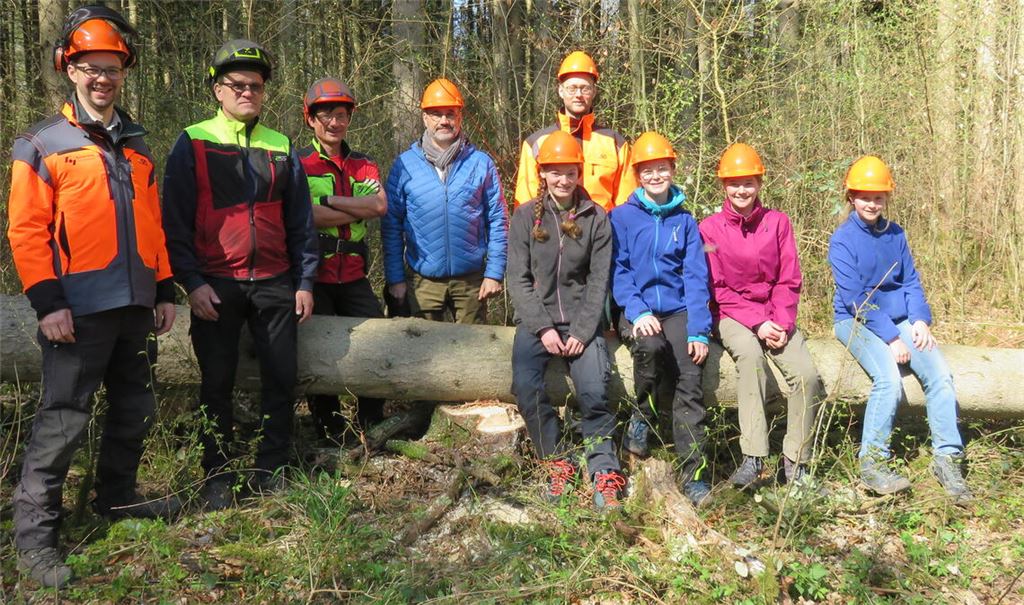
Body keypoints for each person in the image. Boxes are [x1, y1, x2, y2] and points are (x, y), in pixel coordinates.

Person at [7, 5, 178, 588]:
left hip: (136, 304)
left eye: (112, 68)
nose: (102, 78)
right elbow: (26, 230)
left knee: (135, 408)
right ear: (69, 68)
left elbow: (152, 224)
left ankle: (117, 499)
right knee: (62, 422)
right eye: (91, 67)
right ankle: (35, 540)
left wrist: (163, 288)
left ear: (124, 72)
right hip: (76, 310)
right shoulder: (41, 143)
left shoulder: (138, 144)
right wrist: (47, 301)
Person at [162, 39, 318, 509]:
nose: (248, 92)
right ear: (218, 90)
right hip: (216, 282)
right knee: (216, 383)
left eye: (256, 85)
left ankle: (272, 468)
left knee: (281, 378)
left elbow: (300, 220)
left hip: (275, 281)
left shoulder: (280, 145)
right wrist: (191, 282)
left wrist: (305, 282)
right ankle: (217, 475)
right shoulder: (193, 140)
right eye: (237, 85)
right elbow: (174, 220)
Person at [829, 155, 970, 502]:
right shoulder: (842, 240)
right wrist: (892, 338)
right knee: (889, 380)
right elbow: (856, 299)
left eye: (878, 197)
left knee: (940, 375)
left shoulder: (896, 234)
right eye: (864, 197)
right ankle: (873, 462)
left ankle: (947, 458)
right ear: (851, 197)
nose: (871, 203)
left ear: (886, 198)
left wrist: (919, 319)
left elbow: (910, 282)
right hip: (854, 320)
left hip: (900, 319)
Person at [508, 130, 626, 512]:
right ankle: (558, 460)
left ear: (579, 172)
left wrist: (582, 330)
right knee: (525, 385)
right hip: (536, 320)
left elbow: (599, 280)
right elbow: (518, 279)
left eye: (570, 172)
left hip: (581, 321)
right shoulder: (525, 217)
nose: (563, 180)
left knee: (594, 390)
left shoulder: (596, 218)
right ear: (542, 173)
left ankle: (603, 470)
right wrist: (542, 327)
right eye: (555, 172)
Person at [699, 143, 825, 489]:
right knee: (751, 358)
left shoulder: (778, 223)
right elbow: (716, 287)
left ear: (759, 184)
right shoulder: (709, 230)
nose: (741, 190)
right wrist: (757, 322)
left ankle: (796, 462)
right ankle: (753, 458)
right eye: (734, 183)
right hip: (731, 313)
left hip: (776, 313)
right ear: (723, 185)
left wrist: (781, 323)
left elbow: (789, 278)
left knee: (807, 376)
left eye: (748, 183)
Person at [610, 132, 713, 506]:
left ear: (672, 170)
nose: (655, 176)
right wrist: (637, 311)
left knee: (690, 375)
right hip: (635, 308)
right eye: (648, 170)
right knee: (651, 347)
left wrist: (699, 330)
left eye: (662, 169)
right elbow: (618, 270)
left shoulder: (685, 221)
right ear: (638, 175)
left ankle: (695, 476)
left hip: (678, 310)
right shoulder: (621, 217)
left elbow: (696, 277)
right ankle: (643, 417)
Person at [297, 77, 388, 441]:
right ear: (310, 119)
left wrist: (329, 201)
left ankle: (371, 424)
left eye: (341, 115)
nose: (334, 122)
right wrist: (355, 207)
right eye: (326, 115)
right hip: (314, 275)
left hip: (353, 273)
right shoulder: (298, 163)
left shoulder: (364, 164)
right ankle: (328, 429)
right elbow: (305, 216)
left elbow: (378, 206)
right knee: (319, 350)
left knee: (375, 341)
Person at [382, 78, 508, 324]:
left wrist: (494, 273)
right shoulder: (405, 165)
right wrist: (395, 278)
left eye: (450, 114)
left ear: (459, 117)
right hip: (423, 281)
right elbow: (391, 226)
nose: (443, 121)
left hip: (470, 281)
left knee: (474, 346)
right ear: (424, 118)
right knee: (423, 345)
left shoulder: (481, 163)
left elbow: (498, 220)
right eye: (436, 114)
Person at [514, 50, 636, 213]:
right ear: (561, 91)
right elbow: (525, 204)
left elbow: (627, 207)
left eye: (585, 88)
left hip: (603, 227)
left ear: (594, 91)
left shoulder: (615, 143)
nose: (578, 95)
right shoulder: (536, 143)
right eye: (572, 88)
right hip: (552, 227)